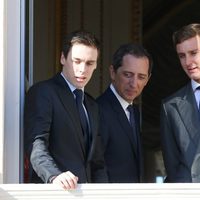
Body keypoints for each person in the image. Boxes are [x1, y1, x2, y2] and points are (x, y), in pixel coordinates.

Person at [24, 30, 108, 189]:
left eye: (89, 63)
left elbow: (97, 162)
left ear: (96, 65)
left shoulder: (92, 106)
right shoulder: (44, 92)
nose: (83, 69)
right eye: (77, 61)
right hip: (55, 193)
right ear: (63, 58)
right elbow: (36, 144)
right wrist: (54, 175)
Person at [97, 43, 152, 183]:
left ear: (148, 79)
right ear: (112, 72)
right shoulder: (98, 109)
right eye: (128, 75)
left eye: (141, 77)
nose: (134, 84)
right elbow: (97, 166)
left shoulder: (135, 111)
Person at [160, 23, 200, 182]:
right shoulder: (170, 106)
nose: (188, 62)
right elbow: (173, 167)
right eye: (182, 55)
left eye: (194, 53)